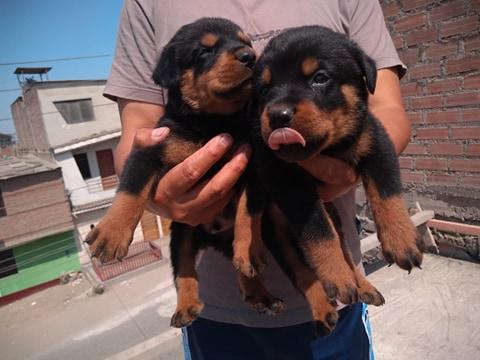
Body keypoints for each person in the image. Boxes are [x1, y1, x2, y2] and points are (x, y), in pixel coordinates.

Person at [104, 1, 409, 359]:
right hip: (217, 312)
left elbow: (386, 110)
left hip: (339, 294)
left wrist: (354, 170)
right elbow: (138, 133)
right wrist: (155, 197)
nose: (244, 55)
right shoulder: (147, 5)